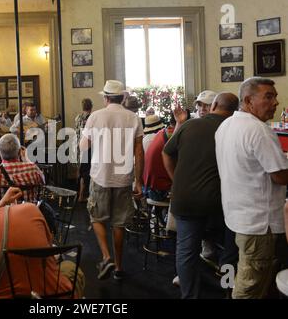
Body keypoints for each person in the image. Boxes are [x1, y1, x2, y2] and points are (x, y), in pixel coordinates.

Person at [215, 77, 288, 299]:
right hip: (258, 224)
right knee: (249, 288)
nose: (275, 102)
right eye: (268, 96)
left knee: (250, 279)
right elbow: (280, 176)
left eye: (275, 96)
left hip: (237, 216)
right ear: (248, 100)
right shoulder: (259, 130)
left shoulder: (226, 125)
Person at [162, 92, 239, 298]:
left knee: (186, 253)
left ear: (213, 105)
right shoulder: (235, 129)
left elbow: (167, 152)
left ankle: (189, 295)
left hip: (186, 198)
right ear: (237, 110)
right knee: (229, 253)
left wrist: (175, 179)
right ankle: (228, 290)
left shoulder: (190, 125)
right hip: (223, 202)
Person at [0, 183, 85, 299]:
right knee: (71, 267)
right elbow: (49, 246)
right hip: (52, 294)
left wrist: (2, 202)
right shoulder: (30, 209)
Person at [80, 79, 144, 280]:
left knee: (96, 217)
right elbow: (139, 152)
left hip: (100, 176)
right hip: (124, 178)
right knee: (119, 223)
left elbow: (84, 147)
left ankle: (106, 256)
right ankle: (118, 267)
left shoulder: (95, 116)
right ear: (122, 98)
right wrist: (138, 181)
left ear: (106, 98)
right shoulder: (133, 118)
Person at [0, 133, 45, 203]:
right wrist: (27, 159)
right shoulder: (33, 169)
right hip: (29, 212)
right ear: (19, 152)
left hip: (3, 213)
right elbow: (43, 182)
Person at [74, 98, 93, 202]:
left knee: (79, 170)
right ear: (91, 106)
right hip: (87, 147)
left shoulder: (77, 118)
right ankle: (82, 195)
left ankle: (77, 193)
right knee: (86, 172)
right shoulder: (91, 118)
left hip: (78, 146)